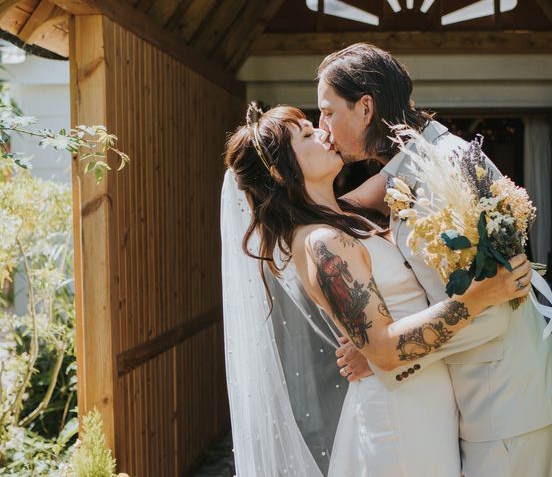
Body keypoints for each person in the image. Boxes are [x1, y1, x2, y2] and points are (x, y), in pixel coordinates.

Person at [222, 104, 533, 476]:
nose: (323, 132)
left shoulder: (342, 216)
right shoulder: (322, 243)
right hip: (397, 420)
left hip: (425, 408)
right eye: (307, 134)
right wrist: (479, 296)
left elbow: (409, 162)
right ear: (279, 170)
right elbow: (383, 350)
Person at [317, 43, 552, 477]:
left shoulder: (442, 176)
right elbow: (359, 202)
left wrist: (384, 355)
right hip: (480, 404)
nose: (321, 126)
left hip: (504, 406)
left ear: (365, 108)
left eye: (327, 111)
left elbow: (492, 309)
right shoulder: (416, 162)